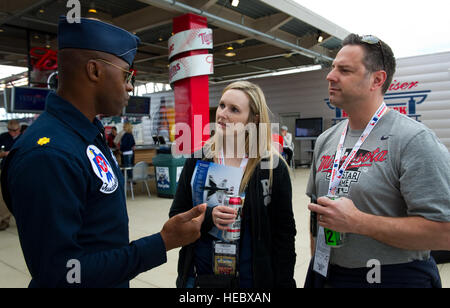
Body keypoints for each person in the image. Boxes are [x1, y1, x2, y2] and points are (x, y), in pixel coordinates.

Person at [0, 16, 206, 288]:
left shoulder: (86, 135)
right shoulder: (49, 154)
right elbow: (61, 274)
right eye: (127, 74)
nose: (131, 86)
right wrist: (162, 242)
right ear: (94, 71)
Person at [305, 33, 450, 288]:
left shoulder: (413, 139)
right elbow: (317, 213)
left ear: (377, 79)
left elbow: (444, 233)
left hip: (394, 277)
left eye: (345, 70)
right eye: (332, 67)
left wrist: (358, 222)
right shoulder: (326, 140)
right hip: (328, 274)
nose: (330, 76)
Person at [170, 81, 297, 288]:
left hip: (252, 280)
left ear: (253, 119)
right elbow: (176, 216)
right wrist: (208, 217)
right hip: (201, 277)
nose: (223, 114)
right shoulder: (199, 159)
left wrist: (284, 283)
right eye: (222, 105)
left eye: (234, 109)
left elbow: (284, 234)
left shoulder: (271, 166)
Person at [0, 120, 21, 231]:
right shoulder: (3, 137)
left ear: (19, 129)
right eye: (10, 130)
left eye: (15, 130)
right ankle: (4, 220)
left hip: (20, 170)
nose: (12, 133)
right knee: (3, 196)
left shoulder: (25, 138)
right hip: (4, 169)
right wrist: (4, 154)